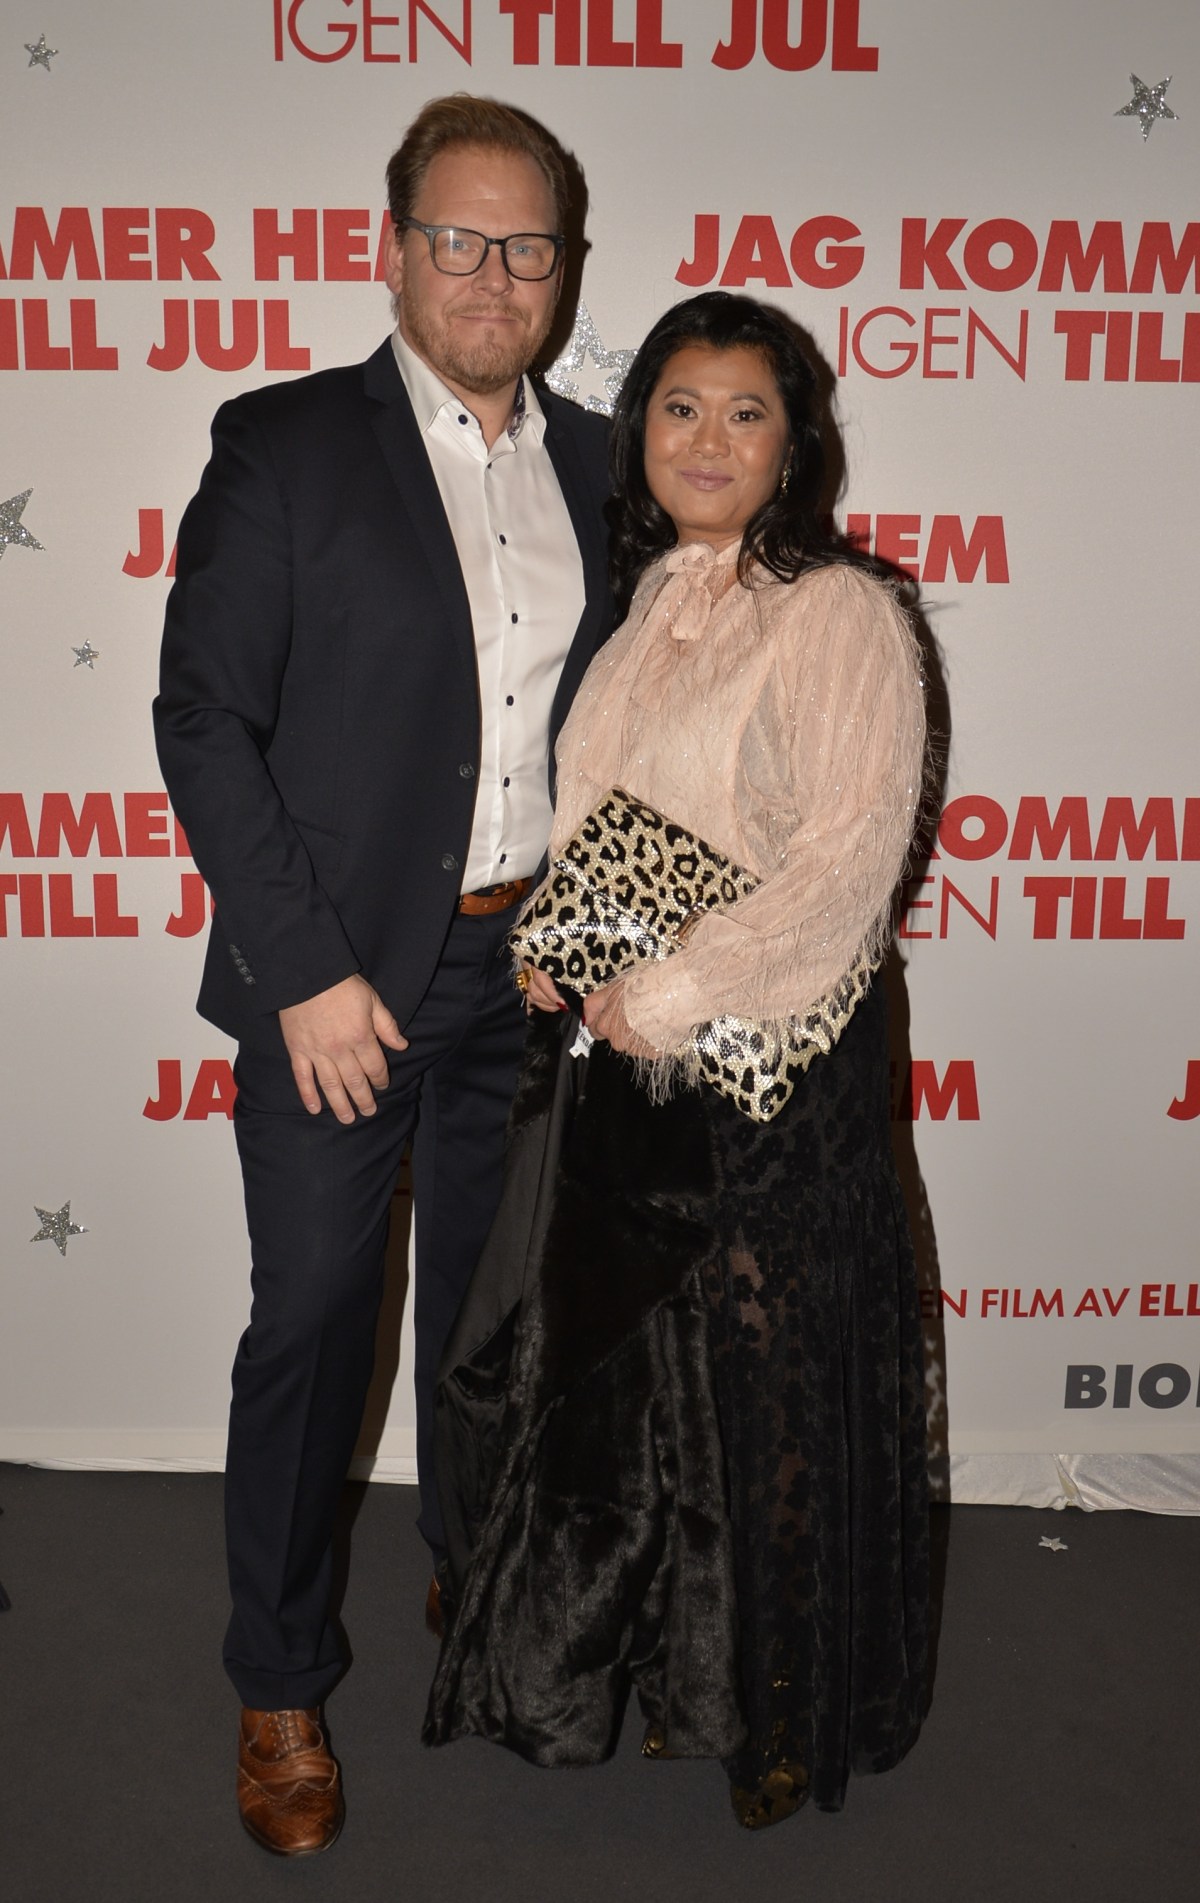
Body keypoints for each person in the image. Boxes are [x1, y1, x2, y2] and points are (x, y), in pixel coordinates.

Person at [153, 96, 611, 1856]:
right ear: (395, 250)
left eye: (528, 245)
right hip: (336, 987)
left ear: (565, 270)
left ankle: (472, 1576)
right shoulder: (283, 446)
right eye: (459, 238)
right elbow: (206, 718)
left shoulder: (603, 468)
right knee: (316, 1323)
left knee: (497, 1324)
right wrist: (305, 971)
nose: (494, 274)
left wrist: (594, 941)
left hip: (528, 981)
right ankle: (278, 1681)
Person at [425, 290, 930, 1830]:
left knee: (772, 1392)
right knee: (655, 1388)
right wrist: (563, 946)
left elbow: (846, 866)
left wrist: (677, 987)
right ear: (638, 430)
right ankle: (673, 1673)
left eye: (746, 412)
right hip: (631, 1059)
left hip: (777, 1064)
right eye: (679, 408)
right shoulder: (641, 603)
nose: (708, 440)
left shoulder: (841, 610)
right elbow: (602, 817)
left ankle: (784, 1708)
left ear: (795, 444)